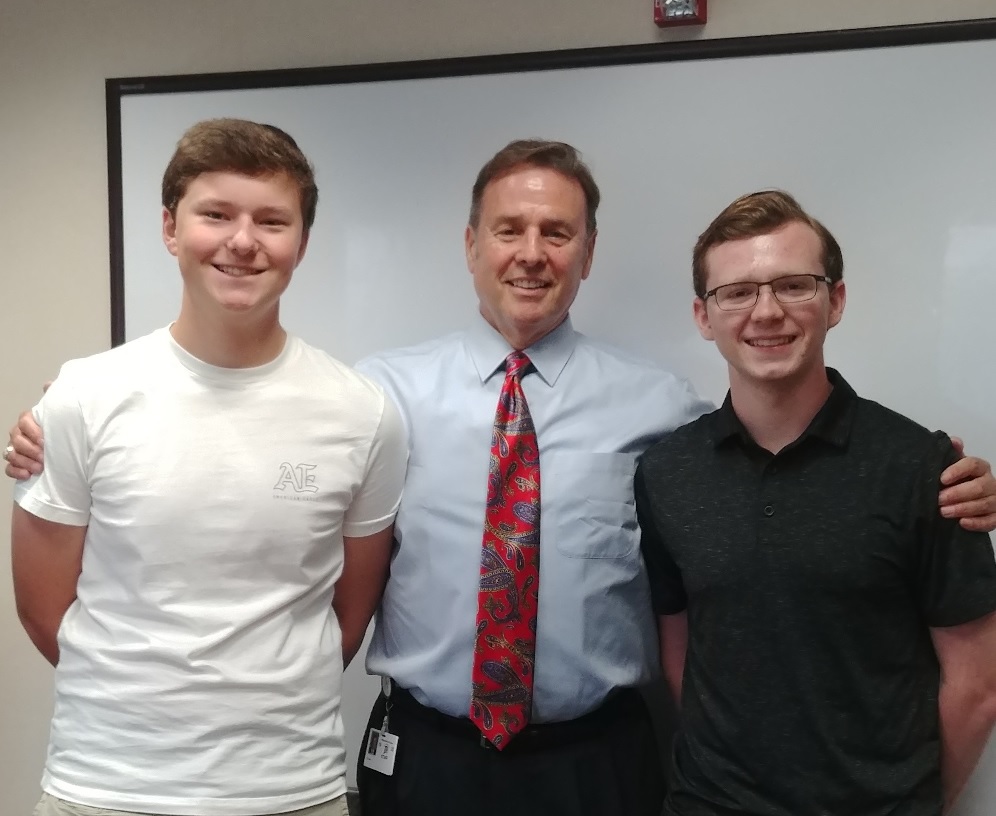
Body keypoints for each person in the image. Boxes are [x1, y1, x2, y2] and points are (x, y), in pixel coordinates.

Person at [6, 142, 996, 816]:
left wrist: (938, 476)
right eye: (508, 230)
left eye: (557, 233)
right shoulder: (373, 395)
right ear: (472, 244)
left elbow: (777, 474)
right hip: (427, 753)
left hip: (598, 760)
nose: (531, 255)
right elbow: (247, 431)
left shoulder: (665, 410)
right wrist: (65, 412)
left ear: (588, 253)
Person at [8, 118, 407, 816]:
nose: (243, 241)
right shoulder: (83, 397)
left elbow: (350, 612)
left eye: (272, 220)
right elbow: (44, 611)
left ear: (302, 243)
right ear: (170, 228)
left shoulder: (364, 414)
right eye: (215, 214)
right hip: (105, 787)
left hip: (289, 791)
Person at [635, 190, 996, 816]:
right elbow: (681, 653)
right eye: (738, 292)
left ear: (837, 300)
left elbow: (978, 684)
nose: (766, 312)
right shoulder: (667, 472)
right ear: (703, 315)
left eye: (794, 285)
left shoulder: (924, 469)